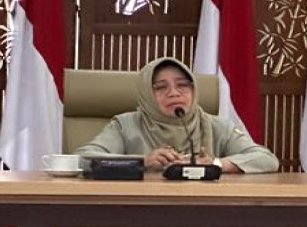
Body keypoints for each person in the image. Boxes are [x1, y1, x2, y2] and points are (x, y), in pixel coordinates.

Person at [75, 57, 279, 174]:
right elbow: (82, 158)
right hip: (140, 208)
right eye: (160, 87)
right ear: (146, 94)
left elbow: (266, 159)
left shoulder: (216, 126)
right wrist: (143, 161)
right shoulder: (126, 125)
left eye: (182, 85)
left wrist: (215, 164)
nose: (174, 93)